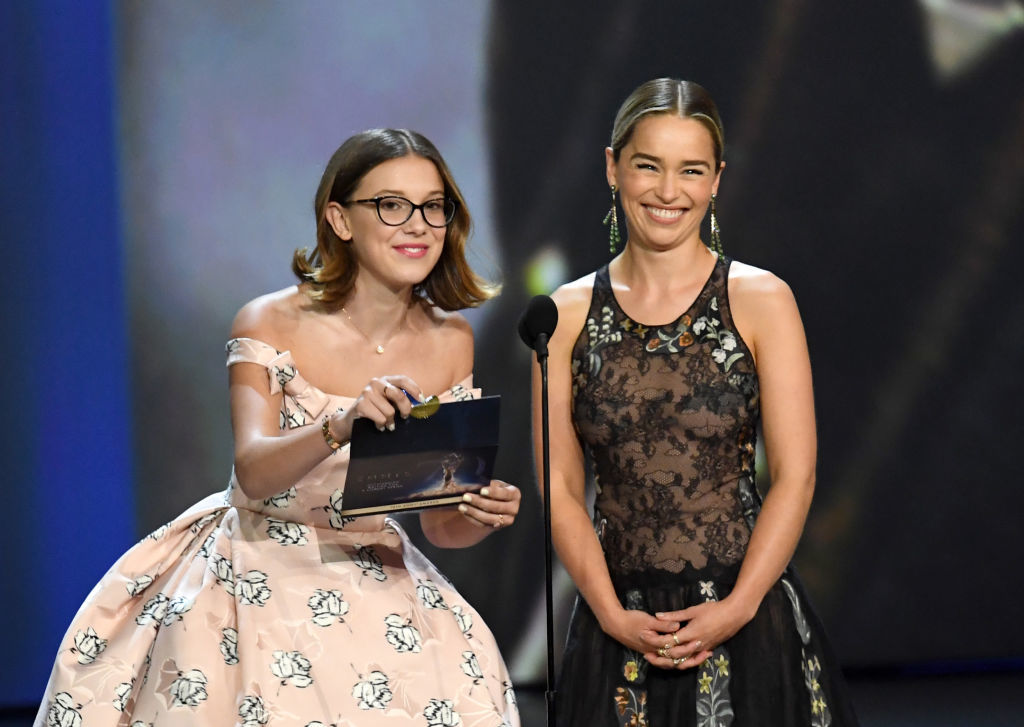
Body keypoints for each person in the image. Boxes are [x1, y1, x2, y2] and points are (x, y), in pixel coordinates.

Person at [36, 128, 522, 727]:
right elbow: (254, 472)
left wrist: (476, 512)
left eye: (433, 207)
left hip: (377, 571)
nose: (417, 225)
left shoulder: (452, 340)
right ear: (340, 220)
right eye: (391, 205)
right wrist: (340, 425)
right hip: (256, 566)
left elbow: (440, 526)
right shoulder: (269, 321)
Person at [535, 78, 858, 725]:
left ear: (716, 180)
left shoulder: (763, 300)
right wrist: (610, 614)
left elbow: (795, 476)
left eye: (690, 170)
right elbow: (560, 487)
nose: (667, 191)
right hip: (617, 627)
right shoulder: (563, 315)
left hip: (745, 619)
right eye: (647, 166)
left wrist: (736, 608)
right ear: (612, 168)